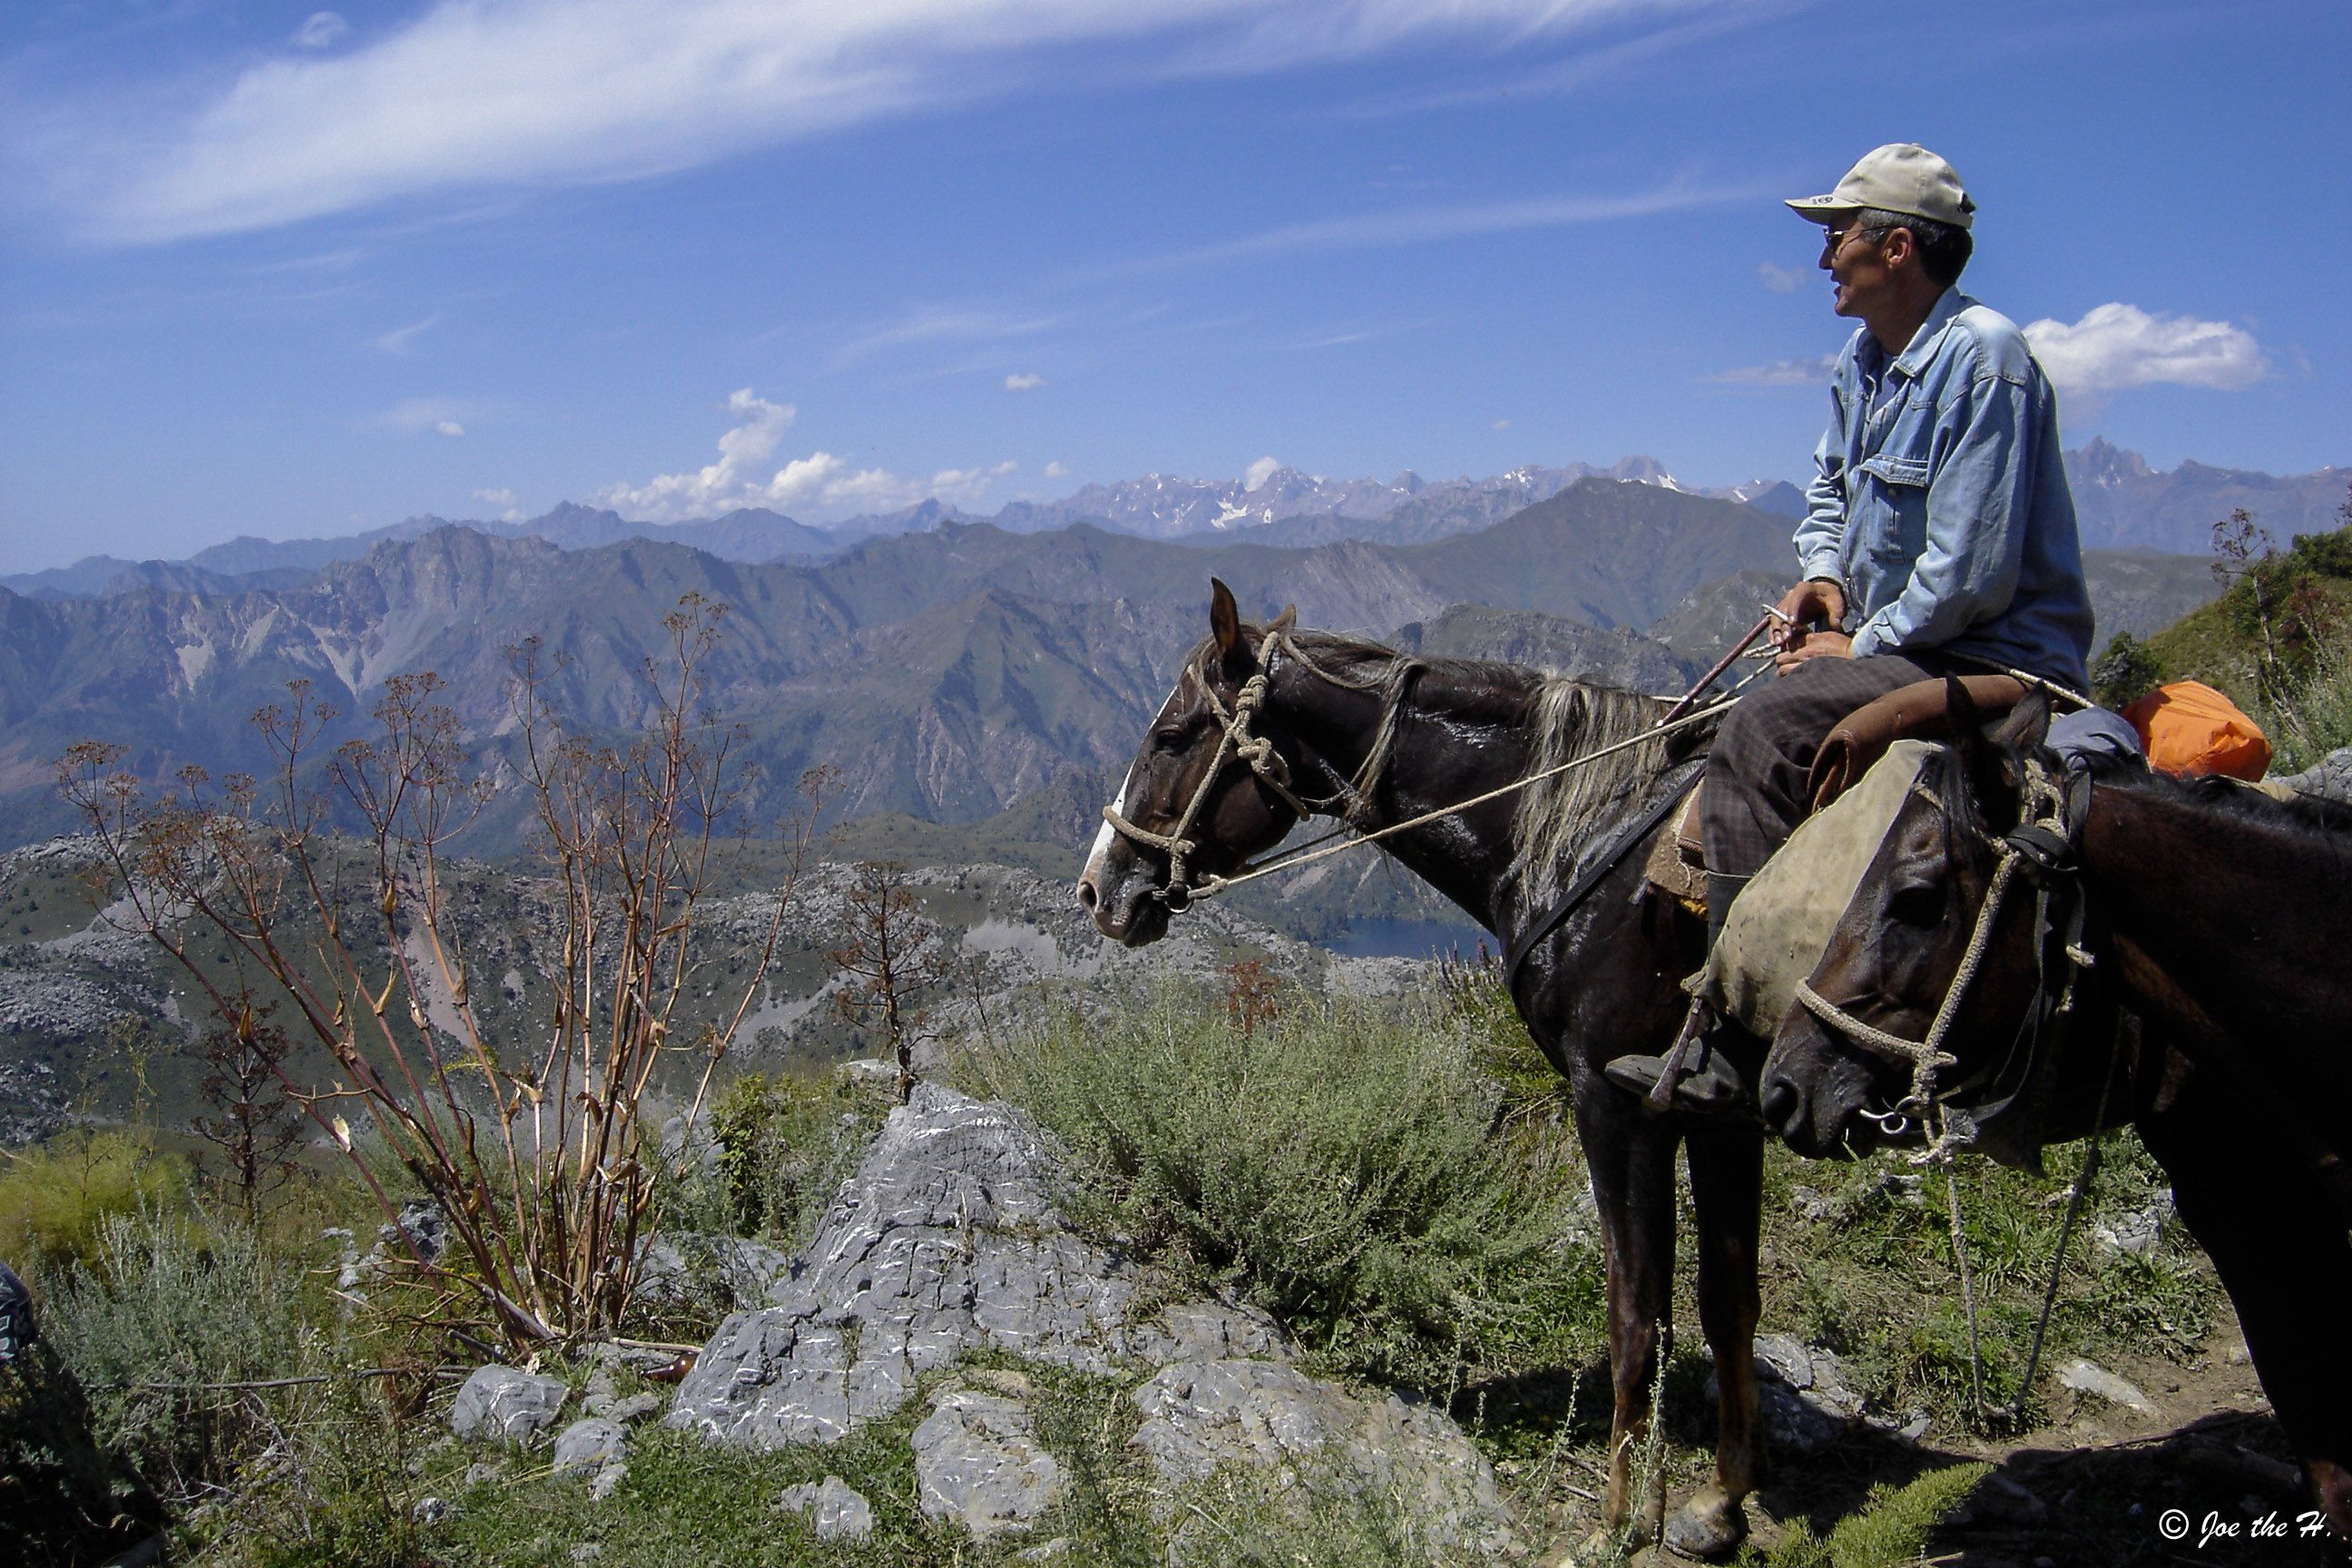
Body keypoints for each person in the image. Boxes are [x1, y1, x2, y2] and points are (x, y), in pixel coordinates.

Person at [1607, 142, 2094, 1115]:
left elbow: (1970, 574)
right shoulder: (1863, 361)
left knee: (1765, 726)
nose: (1824, 256)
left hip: (1988, 654)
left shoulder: (1984, 359)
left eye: (1838, 236)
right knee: (1729, 721)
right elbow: (1829, 491)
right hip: (1905, 638)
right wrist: (1825, 579)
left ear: (1898, 248)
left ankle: (1736, 1035)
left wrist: (1854, 647)